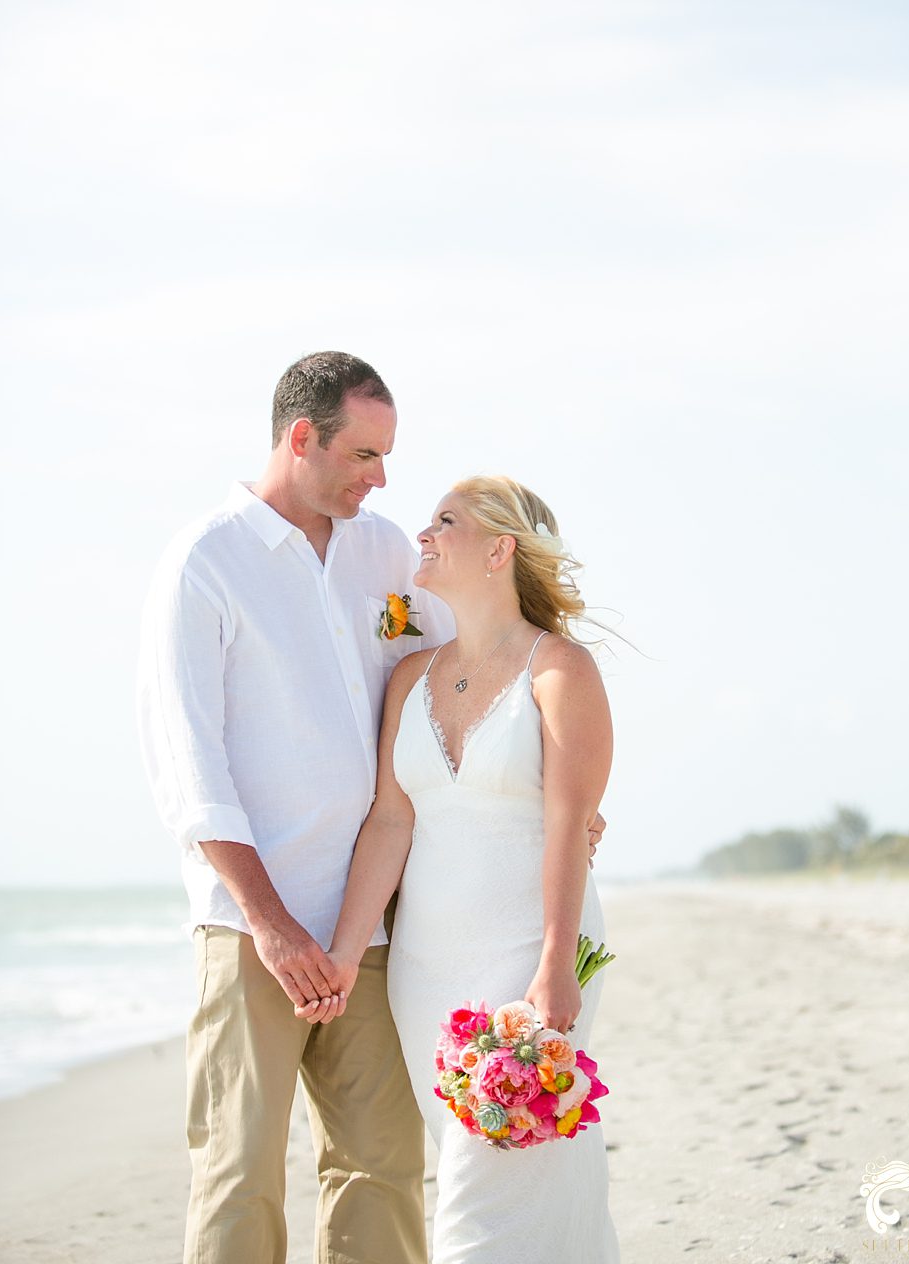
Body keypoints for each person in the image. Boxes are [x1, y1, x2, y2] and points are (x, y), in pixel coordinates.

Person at [138, 352, 605, 1264]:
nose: (382, 479)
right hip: (253, 928)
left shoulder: (389, 552)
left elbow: (479, 674)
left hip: (382, 926)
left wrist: (563, 796)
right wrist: (271, 926)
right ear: (300, 438)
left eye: (388, 457)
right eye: (362, 455)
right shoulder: (207, 561)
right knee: (240, 1172)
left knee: (382, 1165)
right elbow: (189, 769)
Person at [307, 475, 620, 1263]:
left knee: (487, 1195)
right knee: (478, 1168)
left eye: (446, 521)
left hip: (528, 955)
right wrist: (346, 951)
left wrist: (555, 963)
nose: (425, 533)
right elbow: (389, 821)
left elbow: (567, 826)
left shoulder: (562, 672)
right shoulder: (410, 677)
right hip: (426, 971)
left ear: (499, 550)